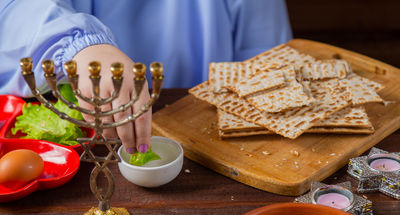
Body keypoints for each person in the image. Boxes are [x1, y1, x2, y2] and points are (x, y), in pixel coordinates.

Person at [0, 0, 292, 154]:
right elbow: (14, 9)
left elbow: (267, 60)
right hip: (86, 133)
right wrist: (81, 45)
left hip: (208, 142)